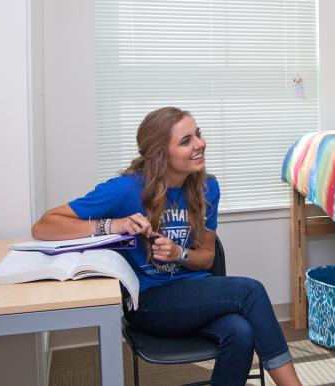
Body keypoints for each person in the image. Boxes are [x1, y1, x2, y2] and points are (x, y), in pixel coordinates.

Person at [32, 107, 302, 386]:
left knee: (241, 331)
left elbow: (207, 259)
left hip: (195, 295)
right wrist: (114, 225)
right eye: (186, 141)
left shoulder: (207, 188)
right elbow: (44, 226)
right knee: (251, 290)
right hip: (149, 304)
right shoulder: (126, 190)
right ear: (161, 154)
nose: (199, 144)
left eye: (197, 134)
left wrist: (179, 253)